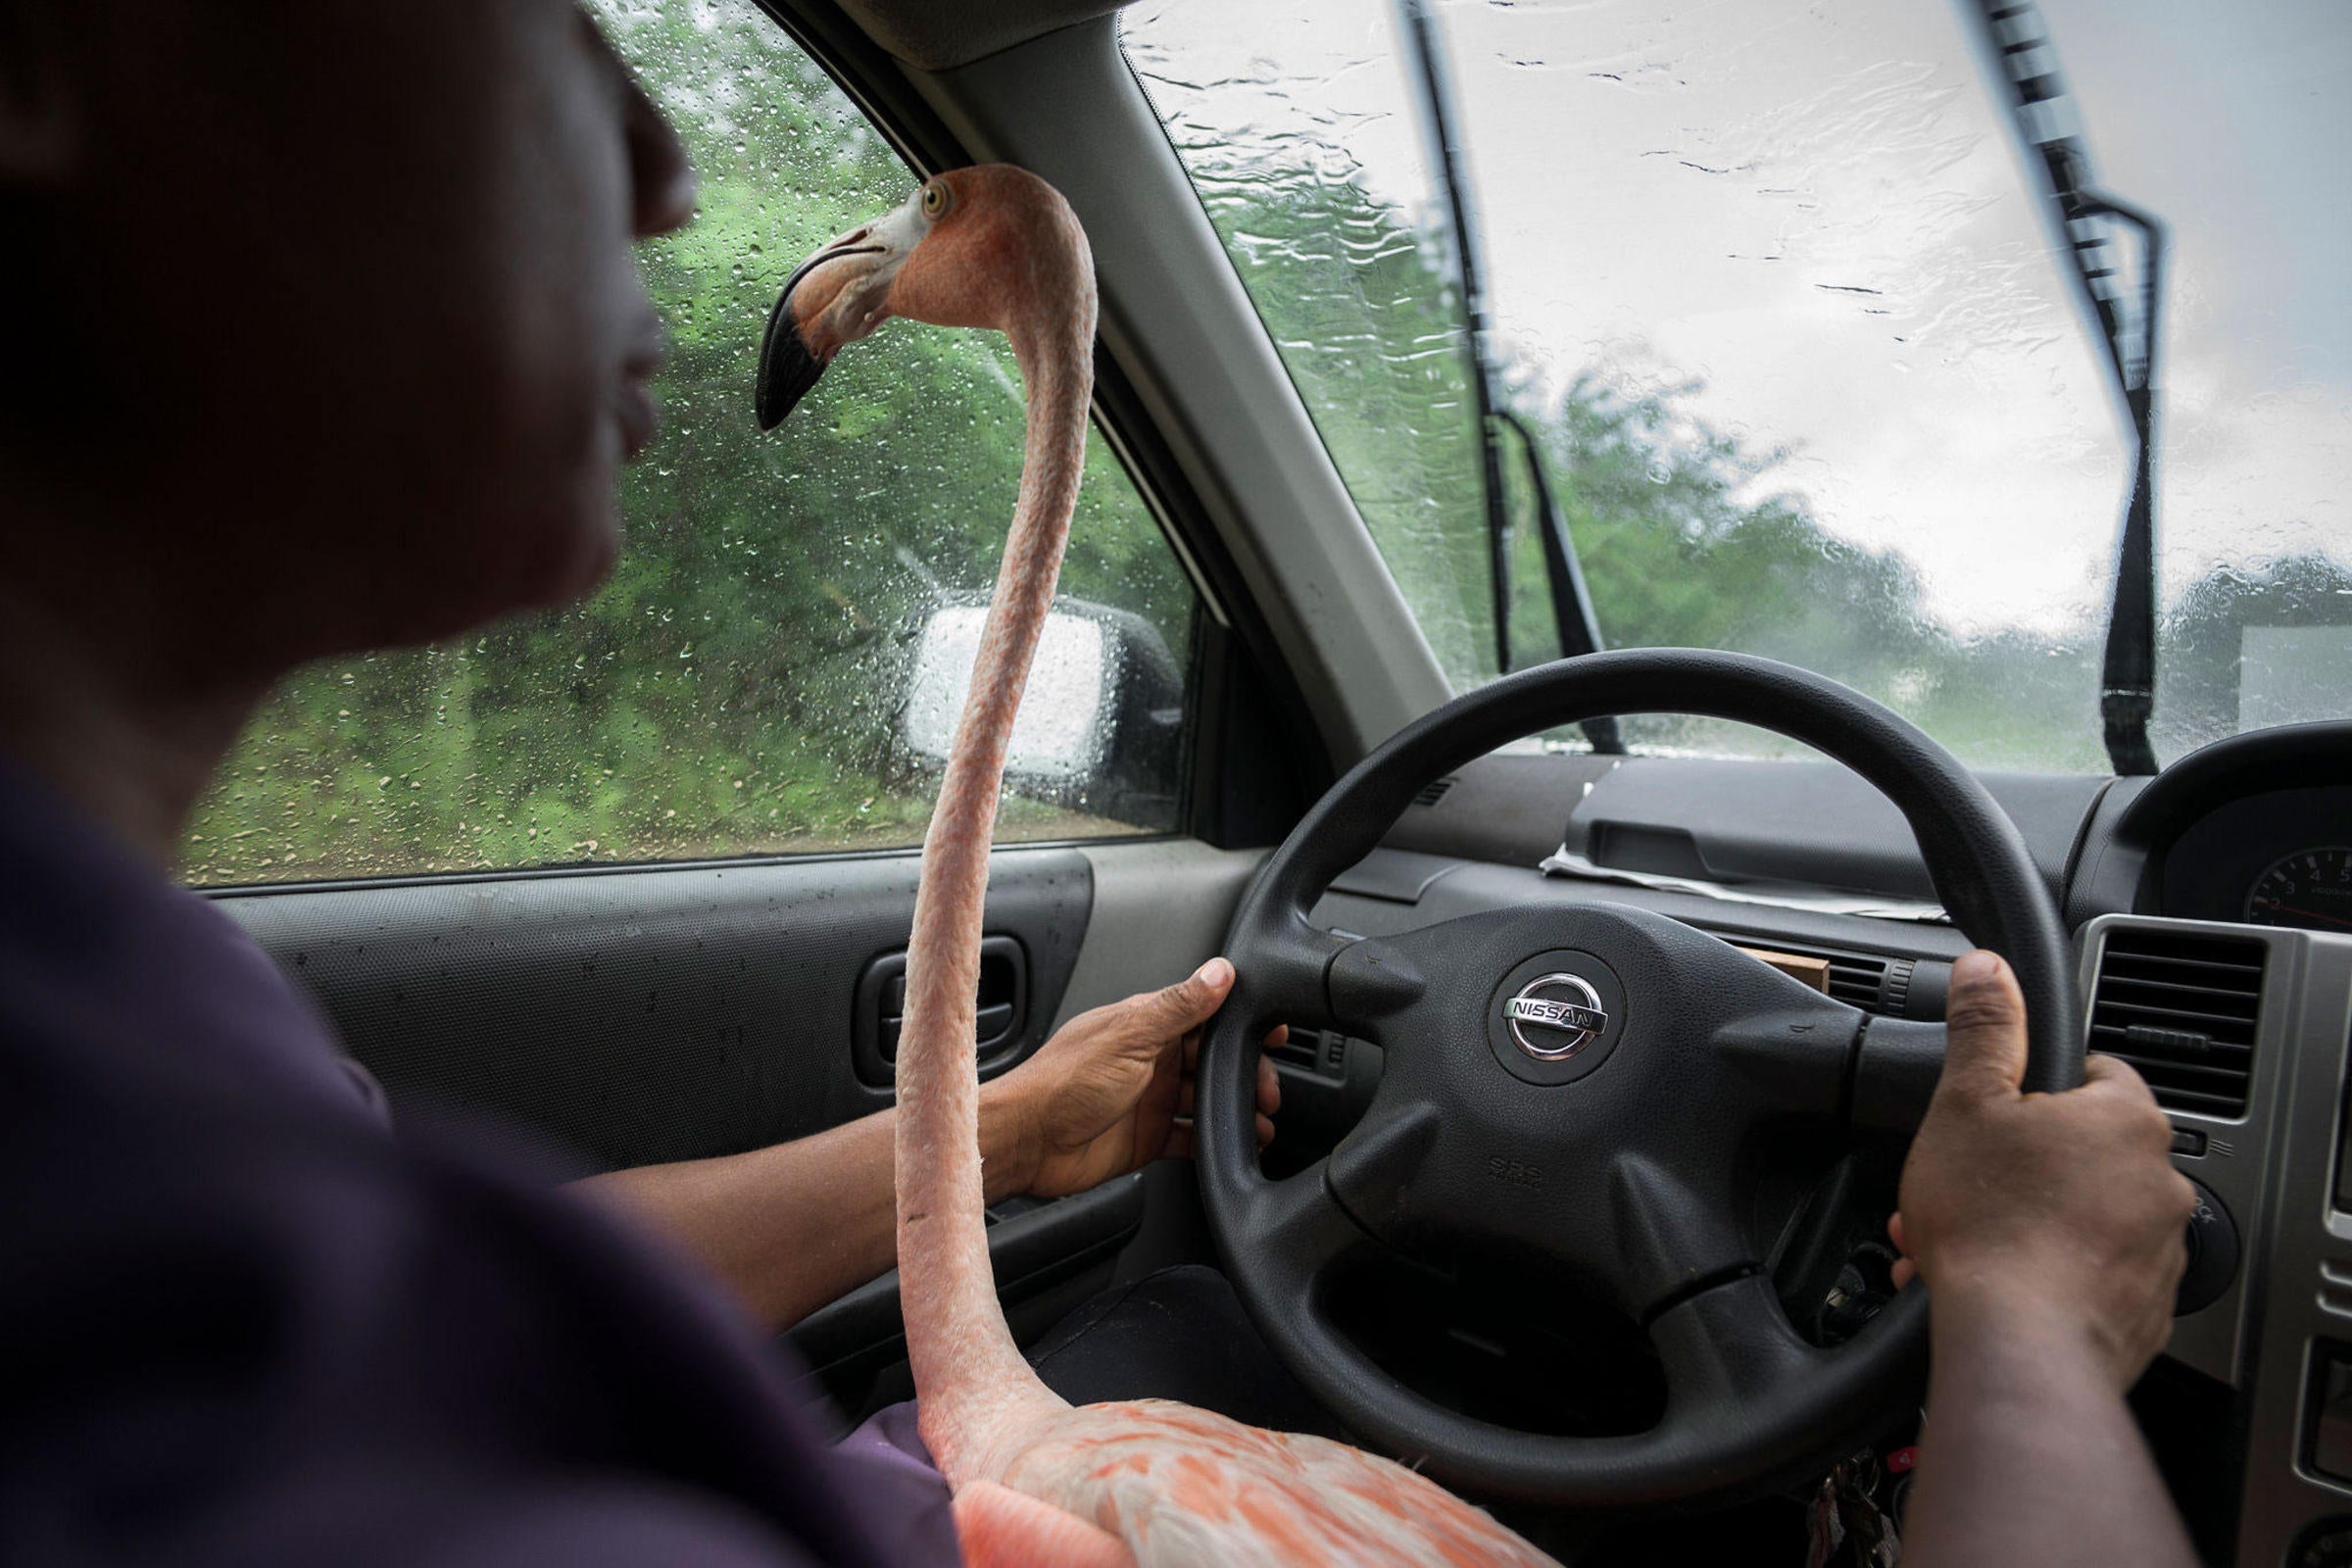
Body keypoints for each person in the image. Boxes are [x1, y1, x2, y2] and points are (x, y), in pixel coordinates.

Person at [0, 2, 2198, 1564]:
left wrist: (996, 1122)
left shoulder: (138, 1051)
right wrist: (2021, 1337)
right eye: (551, 21)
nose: (665, 172)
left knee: (1171, 1331)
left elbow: (405, 1281)